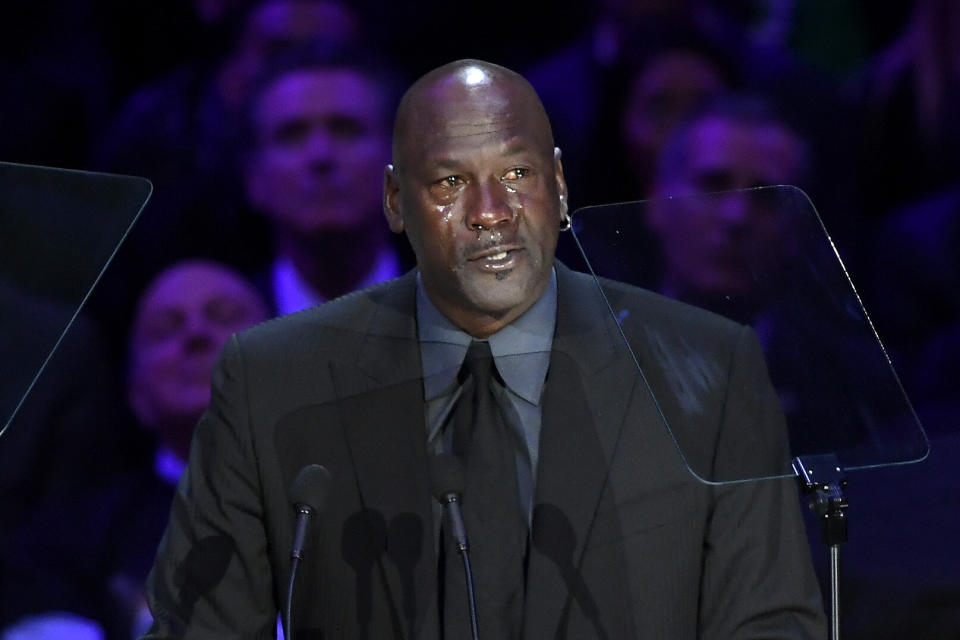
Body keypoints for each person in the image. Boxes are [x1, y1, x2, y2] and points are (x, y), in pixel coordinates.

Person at [142, 60, 825, 638]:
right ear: (394, 202)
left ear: (559, 188)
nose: (490, 210)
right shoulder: (269, 377)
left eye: (518, 174)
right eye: (448, 182)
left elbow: (770, 619)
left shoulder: (710, 366)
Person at [1, 260, 269, 640]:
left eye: (224, 317)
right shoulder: (63, 545)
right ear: (135, 392)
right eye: (165, 329)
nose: (195, 334)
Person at [242, 45, 407, 314]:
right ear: (254, 176)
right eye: (292, 135)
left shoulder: (466, 314)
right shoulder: (229, 333)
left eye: (346, 130)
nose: (321, 155)